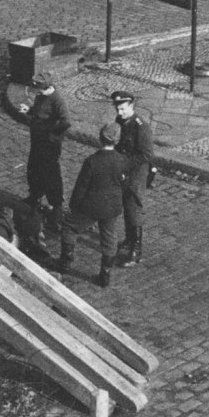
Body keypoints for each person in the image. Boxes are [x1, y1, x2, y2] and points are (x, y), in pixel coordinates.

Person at [57, 123, 129, 288]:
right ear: (117, 141)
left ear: (100, 138)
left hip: (90, 207)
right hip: (112, 208)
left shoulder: (92, 161)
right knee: (110, 239)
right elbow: (125, 185)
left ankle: (65, 263)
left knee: (70, 228)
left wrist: (74, 206)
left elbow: (81, 187)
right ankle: (105, 275)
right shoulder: (123, 161)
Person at [17, 71, 70, 232]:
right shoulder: (41, 96)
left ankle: (56, 210)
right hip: (37, 140)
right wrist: (29, 111)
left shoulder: (57, 100)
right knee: (34, 169)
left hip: (49, 144)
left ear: (46, 86)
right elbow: (38, 111)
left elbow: (66, 122)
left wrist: (50, 132)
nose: (35, 91)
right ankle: (35, 197)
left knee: (51, 175)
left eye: (38, 87)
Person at [111, 90, 154, 268]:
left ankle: (136, 250)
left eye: (122, 109)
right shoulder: (121, 121)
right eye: (117, 109)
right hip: (124, 171)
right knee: (126, 208)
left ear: (132, 106)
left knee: (133, 209)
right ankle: (129, 240)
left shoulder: (140, 126)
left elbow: (145, 155)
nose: (119, 112)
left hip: (136, 174)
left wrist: (124, 164)